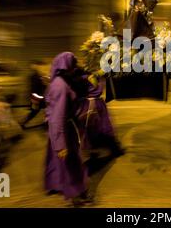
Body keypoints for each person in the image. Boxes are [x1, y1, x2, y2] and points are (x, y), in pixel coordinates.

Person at [44, 52, 92, 206]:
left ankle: (59, 186)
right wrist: (60, 144)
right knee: (72, 163)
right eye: (73, 64)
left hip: (61, 130)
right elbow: (58, 117)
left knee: (61, 163)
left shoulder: (60, 82)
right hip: (64, 130)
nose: (74, 67)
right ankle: (77, 194)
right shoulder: (61, 86)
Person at [75, 69, 125, 159]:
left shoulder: (89, 77)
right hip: (93, 104)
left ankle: (100, 149)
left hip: (93, 104)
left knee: (98, 126)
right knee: (98, 126)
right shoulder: (91, 77)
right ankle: (104, 149)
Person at [21, 60, 47, 129]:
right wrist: (35, 99)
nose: (41, 67)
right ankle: (23, 123)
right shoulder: (34, 76)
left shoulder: (39, 75)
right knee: (34, 111)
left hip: (39, 97)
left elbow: (41, 86)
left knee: (42, 110)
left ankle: (46, 123)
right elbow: (33, 88)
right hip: (37, 97)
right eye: (39, 66)